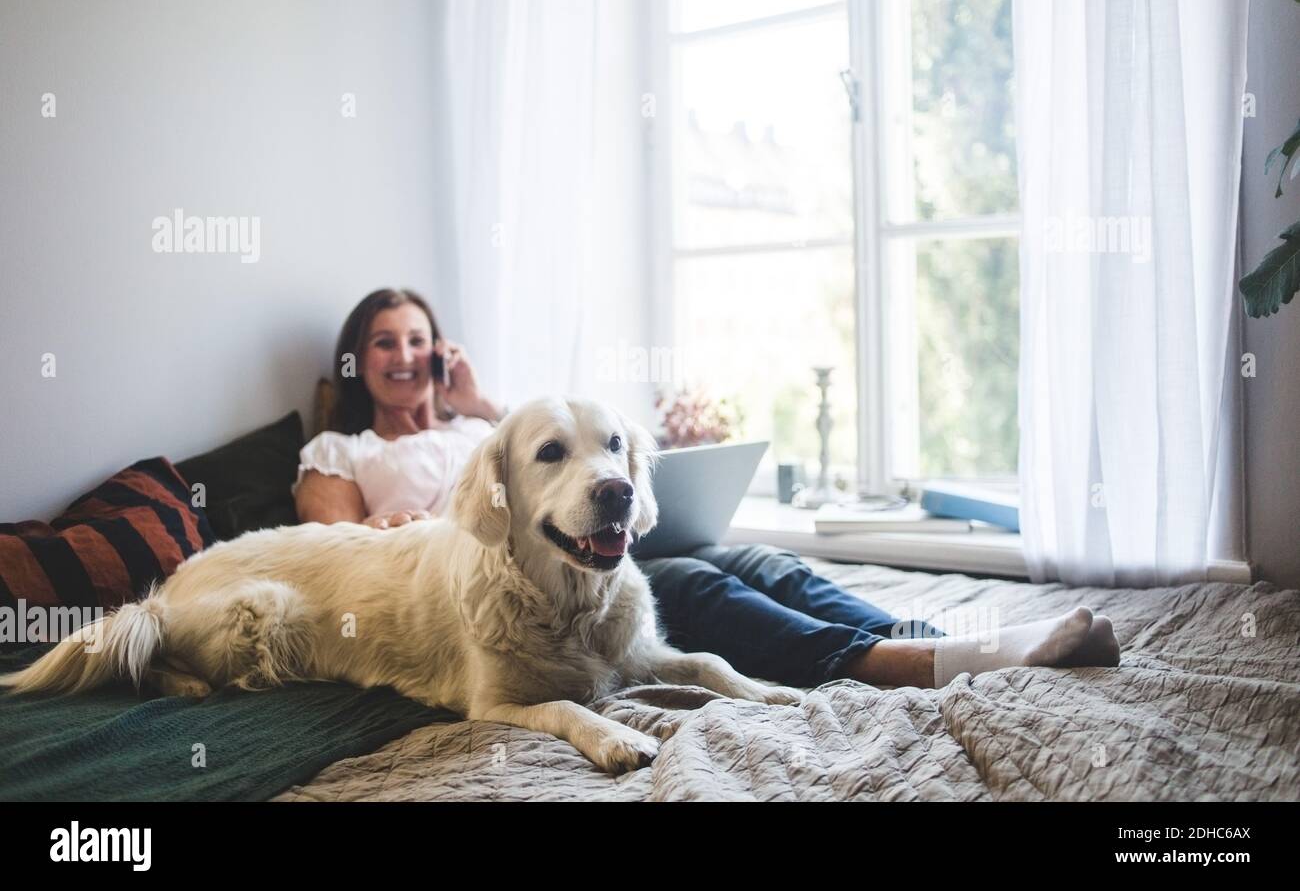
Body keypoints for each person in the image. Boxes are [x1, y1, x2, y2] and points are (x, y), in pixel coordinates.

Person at [294, 287, 1120, 690]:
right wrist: (392, 522)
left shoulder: (489, 430)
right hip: (481, 574)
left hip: (600, 540)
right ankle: (901, 661)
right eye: (383, 343)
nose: (404, 356)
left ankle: (930, 630)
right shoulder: (343, 446)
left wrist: (474, 403)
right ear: (352, 360)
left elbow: (550, 456)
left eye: (419, 340)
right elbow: (329, 546)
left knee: (751, 556)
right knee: (697, 582)